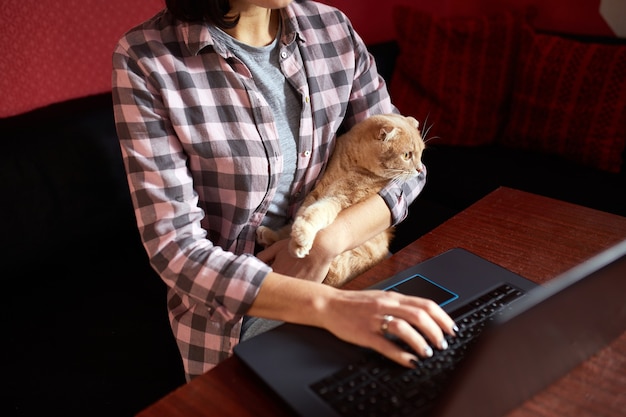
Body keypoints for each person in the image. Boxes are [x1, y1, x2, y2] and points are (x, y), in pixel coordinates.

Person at [112, 0, 457, 381]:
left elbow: (409, 173)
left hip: (352, 270)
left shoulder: (331, 28)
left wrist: (328, 241)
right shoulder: (147, 58)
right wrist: (329, 305)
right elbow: (175, 249)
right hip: (242, 312)